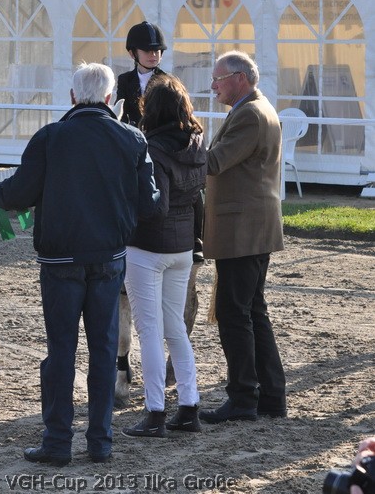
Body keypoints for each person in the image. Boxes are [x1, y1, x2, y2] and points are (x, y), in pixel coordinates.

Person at [0, 62, 159, 465]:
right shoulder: (132, 139)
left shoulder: (50, 137)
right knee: (103, 350)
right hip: (108, 258)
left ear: (73, 96)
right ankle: (100, 442)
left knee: (61, 351)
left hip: (60, 258)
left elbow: (20, 192)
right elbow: (150, 203)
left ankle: (58, 441)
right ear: (111, 98)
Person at [200, 51, 286, 424]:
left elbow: (214, 162)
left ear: (240, 78)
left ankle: (243, 397)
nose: (213, 86)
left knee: (234, 313)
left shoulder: (249, 114)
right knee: (251, 310)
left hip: (243, 229)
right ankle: (270, 396)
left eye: (218, 79)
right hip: (251, 228)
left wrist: (180, 141)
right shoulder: (255, 108)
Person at [122, 74, 206, 438]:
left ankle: (155, 411)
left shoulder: (152, 149)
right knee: (175, 329)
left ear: (151, 109)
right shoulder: (198, 143)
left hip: (149, 248)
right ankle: (188, 406)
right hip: (183, 246)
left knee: (150, 331)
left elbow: (157, 206)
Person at [116, 21, 167, 126]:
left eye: (157, 50)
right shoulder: (125, 80)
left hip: (159, 133)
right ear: (132, 53)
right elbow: (122, 114)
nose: (153, 54)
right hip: (132, 133)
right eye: (147, 50)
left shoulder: (167, 81)